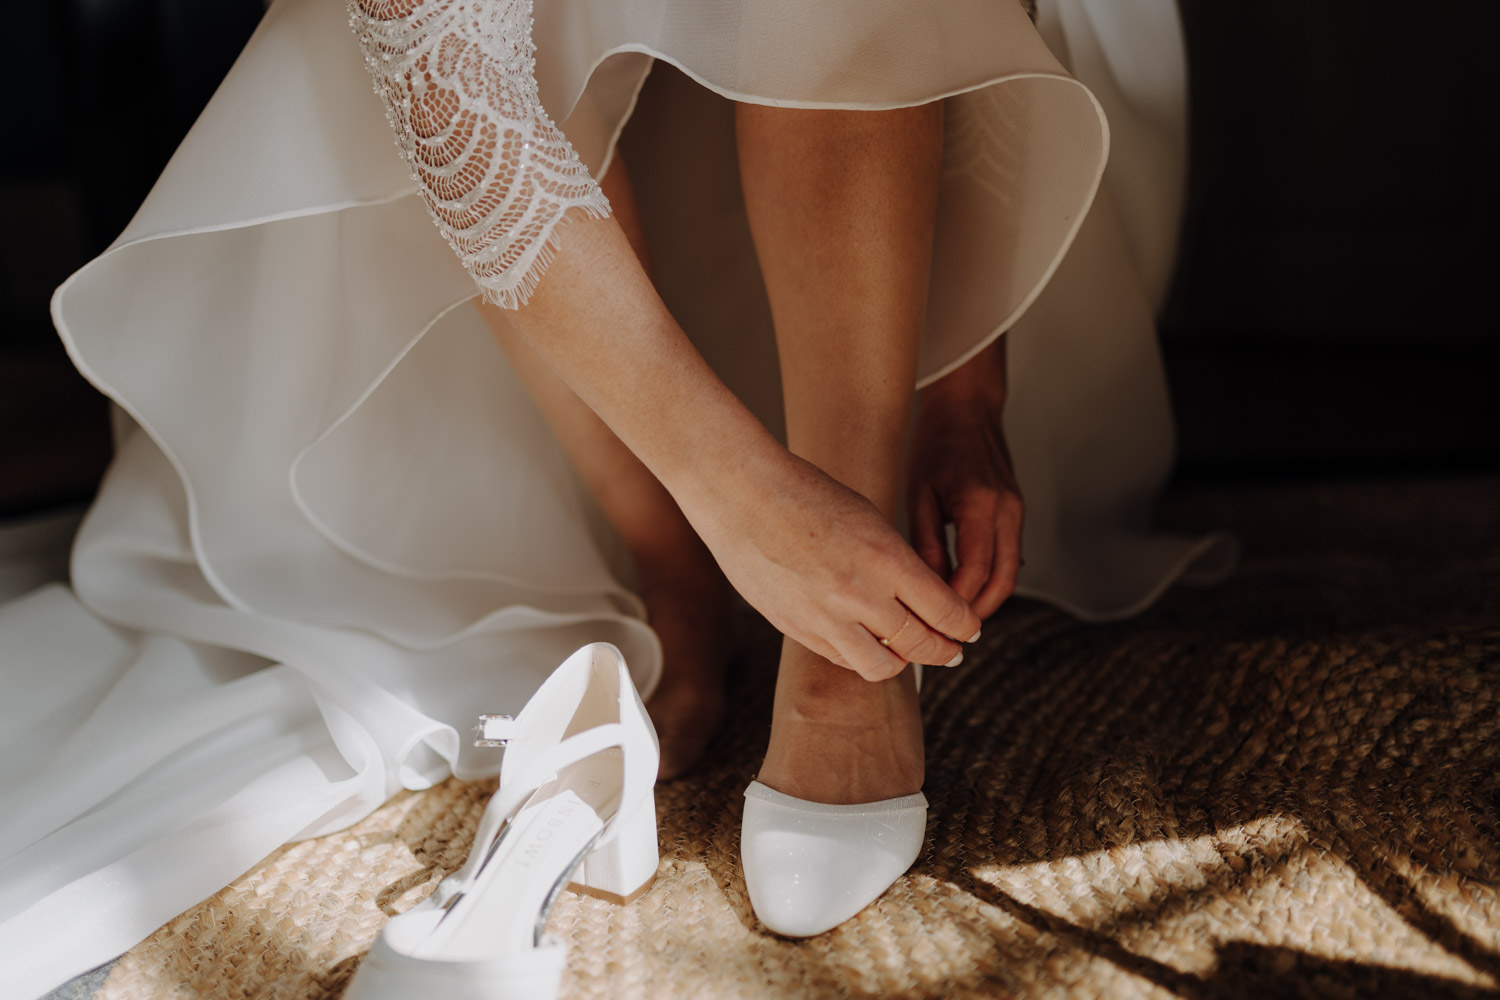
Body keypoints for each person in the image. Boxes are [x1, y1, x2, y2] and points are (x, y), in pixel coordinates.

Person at [0, 0, 1232, 991]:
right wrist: (730, 502)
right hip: (564, 164)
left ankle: (842, 657)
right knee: (455, 41)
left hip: (867, 226)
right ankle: (674, 569)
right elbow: (448, 84)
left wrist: (963, 391)